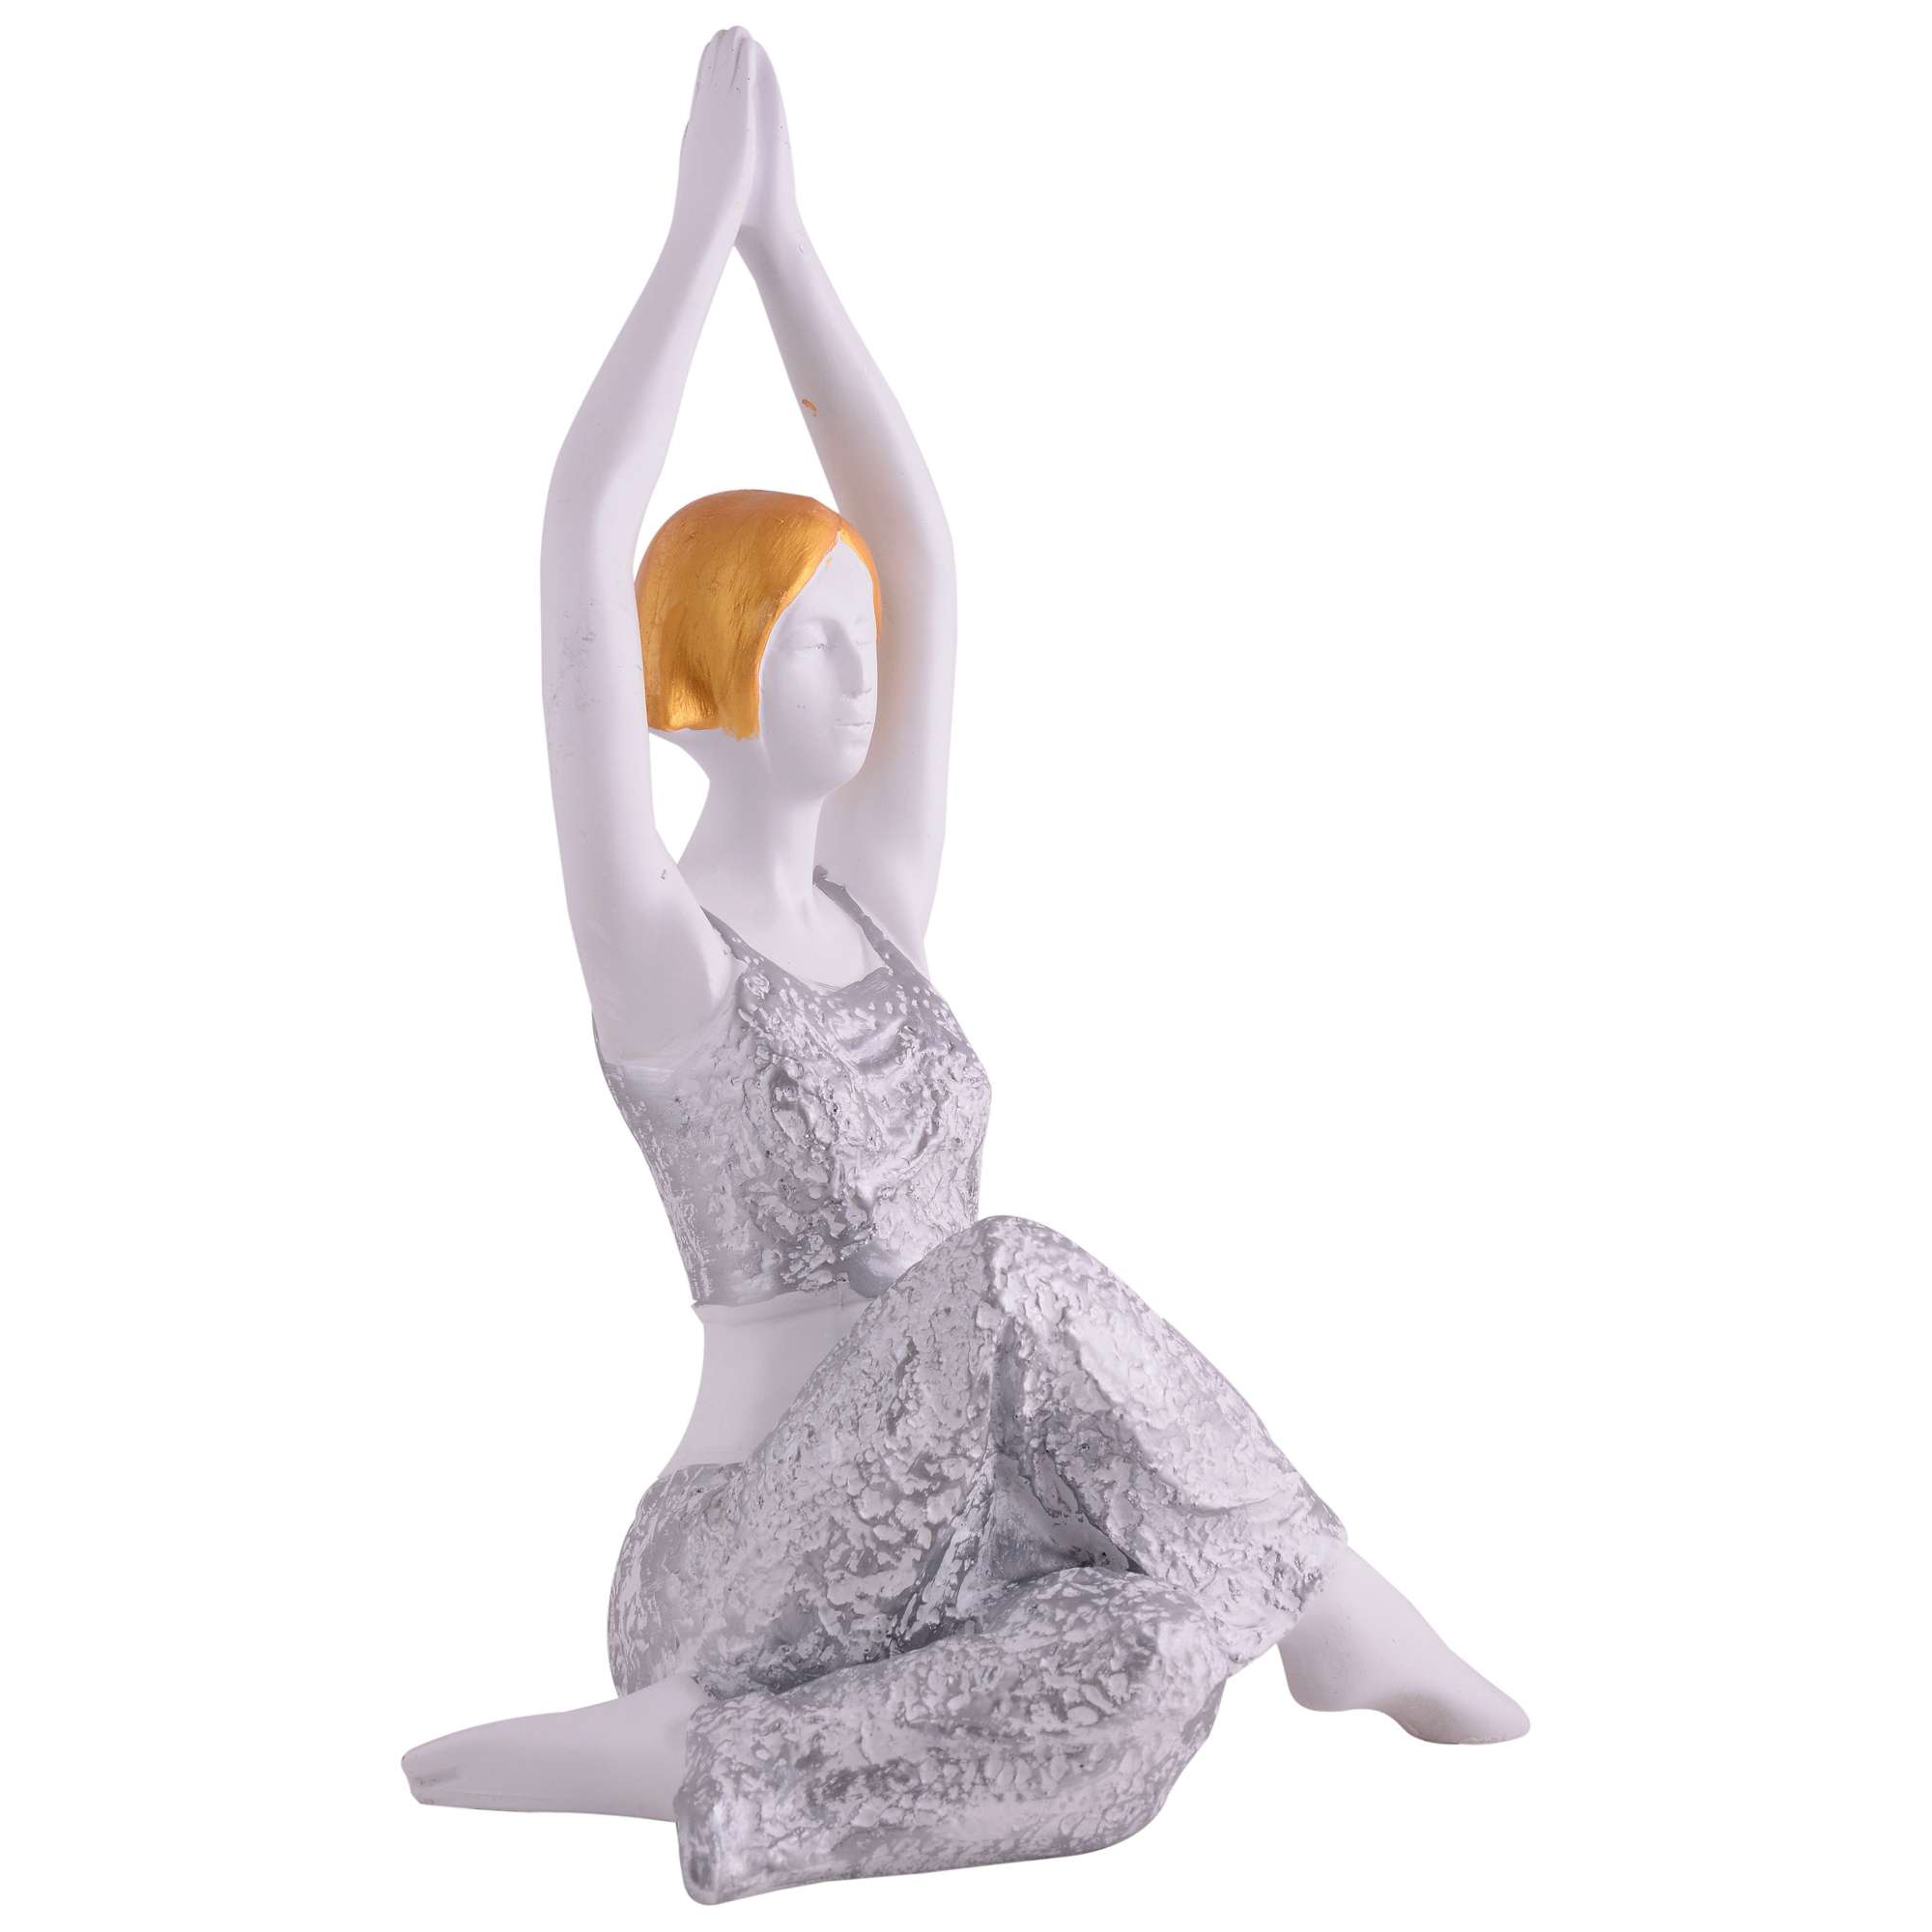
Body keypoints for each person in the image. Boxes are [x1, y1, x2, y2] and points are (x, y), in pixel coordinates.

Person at [403, 28, 1526, 1905]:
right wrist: (699, 246)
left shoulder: (881, 903)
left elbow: (916, 542)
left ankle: (703, 1763)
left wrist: (795, 252)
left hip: (952, 1552)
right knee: (1002, 1269)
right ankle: (1338, 1598)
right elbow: (581, 549)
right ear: (703, 670)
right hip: (740, 1558)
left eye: (863, 642)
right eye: (812, 641)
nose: (862, 674)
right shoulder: (664, 955)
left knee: (1160, 1648)